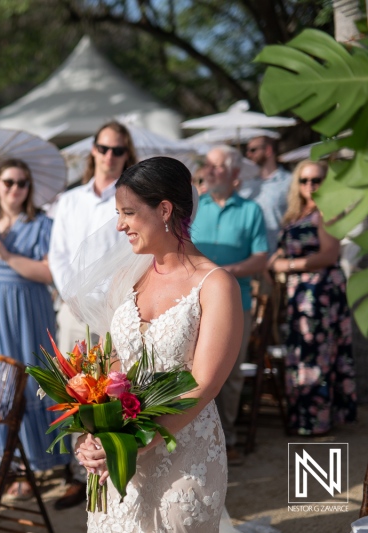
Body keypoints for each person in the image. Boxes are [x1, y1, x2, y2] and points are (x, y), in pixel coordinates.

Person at [71, 156, 242, 531]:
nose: (120, 225)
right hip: (118, 456)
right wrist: (95, 435)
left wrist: (134, 444)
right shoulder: (126, 278)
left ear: (164, 210)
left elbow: (204, 384)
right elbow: (110, 366)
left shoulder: (216, 285)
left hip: (183, 456)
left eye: (129, 213)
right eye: (118, 214)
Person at [0, 159, 67, 496]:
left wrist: (4, 253)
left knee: (30, 378)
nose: (15, 189)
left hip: (29, 307)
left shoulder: (42, 224)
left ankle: (34, 464)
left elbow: (48, 273)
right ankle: (3, 462)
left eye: (22, 183)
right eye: (8, 182)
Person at [48, 121, 137, 508]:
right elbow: (58, 254)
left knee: (115, 386)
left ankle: (111, 461)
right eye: (104, 148)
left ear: (127, 154)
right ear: (93, 151)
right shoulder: (70, 200)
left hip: (115, 307)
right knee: (75, 388)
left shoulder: (131, 198)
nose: (109, 156)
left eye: (118, 150)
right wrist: (72, 294)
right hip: (74, 307)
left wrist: (114, 299)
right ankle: (77, 470)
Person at [191, 145, 269, 465]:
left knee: (231, 374)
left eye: (217, 166)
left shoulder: (251, 211)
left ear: (235, 173)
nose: (209, 171)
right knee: (193, 370)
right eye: (207, 165)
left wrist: (225, 274)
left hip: (237, 303)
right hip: (192, 302)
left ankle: (228, 438)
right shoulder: (194, 206)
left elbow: (261, 258)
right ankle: (195, 438)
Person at [268, 160, 357, 435]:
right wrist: (275, 261)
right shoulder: (296, 214)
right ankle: (302, 417)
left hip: (321, 294)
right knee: (300, 353)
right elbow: (282, 250)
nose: (310, 185)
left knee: (317, 354)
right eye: (304, 180)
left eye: (316, 180)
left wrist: (287, 265)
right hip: (299, 295)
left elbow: (329, 255)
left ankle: (317, 421)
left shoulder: (327, 211)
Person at [240, 135, 292, 255]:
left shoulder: (289, 181)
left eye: (253, 150)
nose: (248, 154)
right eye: (247, 150)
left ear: (268, 150)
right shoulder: (245, 184)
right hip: (248, 257)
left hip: (277, 255)